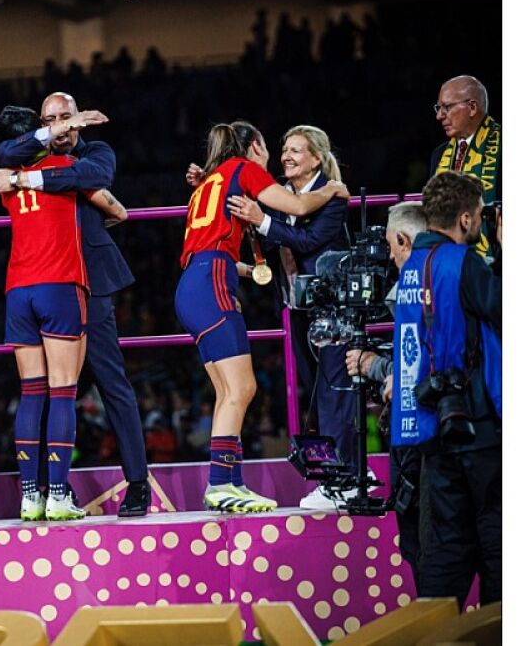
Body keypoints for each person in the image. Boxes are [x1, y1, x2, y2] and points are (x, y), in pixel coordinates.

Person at [0, 92, 152, 518]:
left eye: (66, 118)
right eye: (50, 120)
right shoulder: (30, 155)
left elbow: (89, 176)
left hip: (89, 285)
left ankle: (138, 482)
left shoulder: (94, 153)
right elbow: (5, 152)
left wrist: (21, 182)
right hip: (52, 284)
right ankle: (51, 488)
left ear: (79, 119)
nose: (60, 126)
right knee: (47, 392)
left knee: (110, 383)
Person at [177, 121, 349, 512]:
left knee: (228, 392)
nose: (278, 156)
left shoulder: (210, 181)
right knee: (241, 389)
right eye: (274, 146)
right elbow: (300, 207)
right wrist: (331, 189)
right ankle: (220, 483)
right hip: (213, 282)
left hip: (195, 282)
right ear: (255, 146)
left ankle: (231, 482)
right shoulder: (243, 169)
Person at [225, 125, 356, 508]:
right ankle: (335, 475)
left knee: (334, 392)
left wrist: (263, 220)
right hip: (298, 309)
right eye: (284, 149)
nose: (286, 156)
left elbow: (308, 241)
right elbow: (269, 238)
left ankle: (345, 480)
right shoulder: (282, 195)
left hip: (333, 310)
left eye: (296, 150)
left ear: (316, 158)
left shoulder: (332, 193)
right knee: (316, 393)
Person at [392, 171, 501, 608]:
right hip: (477, 424)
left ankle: (433, 630)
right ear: (465, 219)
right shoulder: (463, 262)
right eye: (479, 215)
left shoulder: (410, 269)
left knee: (448, 544)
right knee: (497, 537)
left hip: (430, 425)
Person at [344, 201, 428, 588]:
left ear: (403, 240)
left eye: (392, 248)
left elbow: (418, 359)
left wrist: (374, 366)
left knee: (422, 544)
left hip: (419, 434)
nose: (390, 258)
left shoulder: (412, 284)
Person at [430, 75, 500, 259]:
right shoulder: (439, 155)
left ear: (472, 108)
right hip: (447, 260)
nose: (439, 116)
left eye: (447, 107)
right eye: (438, 108)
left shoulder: (503, 148)